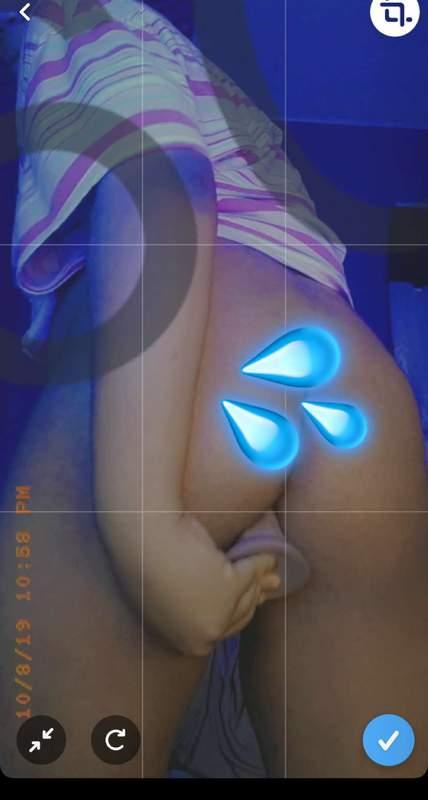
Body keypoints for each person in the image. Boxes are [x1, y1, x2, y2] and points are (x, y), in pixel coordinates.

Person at [0, 0, 427, 779]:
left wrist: (146, 531)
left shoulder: (72, 21)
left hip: (195, 367)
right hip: (353, 388)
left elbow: (158, 181)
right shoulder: (219, 92)